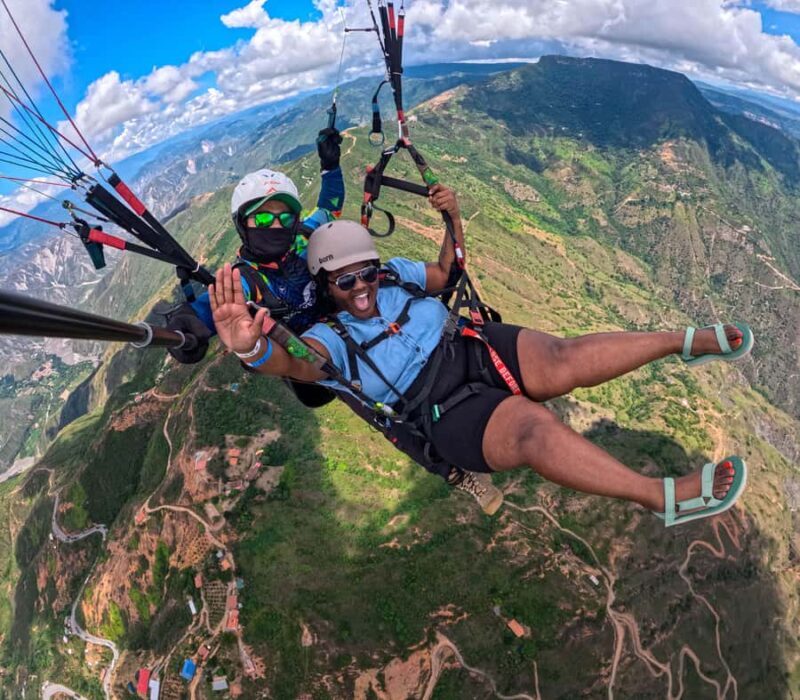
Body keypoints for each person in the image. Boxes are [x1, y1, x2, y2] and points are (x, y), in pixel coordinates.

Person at [207, 186, 753, 527]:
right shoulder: (331, 339)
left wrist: (453, 219)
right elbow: (296, 364)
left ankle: (681, 343)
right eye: (346, 280)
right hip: (442, 408)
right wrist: (252, 347)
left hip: (469, 345)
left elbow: (448, 274)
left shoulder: (395, 274)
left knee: (561, 359)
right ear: (327, 284)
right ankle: (660, 497)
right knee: (534, 429)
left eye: (366, 271)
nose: (362, 286)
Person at [165, 129, 503, 514]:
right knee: (385, 416)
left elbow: (329, 205)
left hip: (353, 327)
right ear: (243, 223)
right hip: (316, 361)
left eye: (284, 216)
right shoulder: (245, 280)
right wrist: (183, 328)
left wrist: (330, 167)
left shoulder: (305, 237)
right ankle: (458, 475)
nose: (275, 226)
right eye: (262, 216)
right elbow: (213, 311)